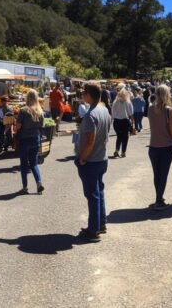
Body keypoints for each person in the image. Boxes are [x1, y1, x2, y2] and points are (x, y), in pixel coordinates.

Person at [75, 82, 112, 241]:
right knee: (99, 192)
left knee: (93, 195)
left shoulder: (91, 115)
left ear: (89, 95)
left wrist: (82, 157)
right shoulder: (104, 110)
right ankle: (100, 223)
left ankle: (93, 230)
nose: (82, 95)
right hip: (101, 158)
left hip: (91, 160)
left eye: (84, 93)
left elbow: (90, 140)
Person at [147, 85, 172, 210]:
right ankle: (159, 200)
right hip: (166, 146)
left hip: (153, 146)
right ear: (166, 94)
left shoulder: (150, 109)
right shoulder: (169, 110)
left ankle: (158, 197)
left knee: (157, 174)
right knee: (163, 174)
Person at [15, 90, 45, 194]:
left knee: (23, 164)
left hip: (24, 139)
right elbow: (42, 126)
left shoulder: (23, 111)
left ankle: (25, 187)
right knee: (34, 163)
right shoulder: (40, 111)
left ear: (27, 98)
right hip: (35, 139)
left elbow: (18, 126)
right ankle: (39, 183)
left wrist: (16, 128)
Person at [111, 87, 135, 158]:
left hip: (117, 121)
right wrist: (133, 122)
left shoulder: (115, 102)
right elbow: (131, 113)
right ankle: (123, 152)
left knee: (119, 136)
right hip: (125, 121)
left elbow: (112, 112)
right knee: (125, 137)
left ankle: (117, 150)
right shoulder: (128, 102)